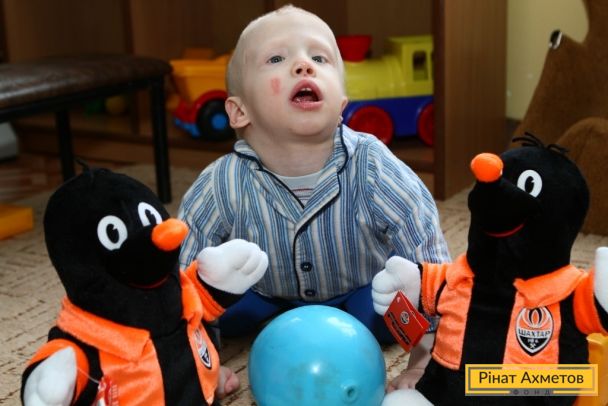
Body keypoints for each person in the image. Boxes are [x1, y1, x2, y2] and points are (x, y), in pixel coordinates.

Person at [178, 4, 451, 397]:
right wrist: (200, 361)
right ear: (239, 111)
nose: (304, 65)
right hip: (261, 292)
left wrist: (425, 361)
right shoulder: (221, 183)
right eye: (276, 58)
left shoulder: (373, 166)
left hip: (359, 292)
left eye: (319, 58)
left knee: (393, 304)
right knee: (214, 297)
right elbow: (182, 267)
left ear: (341, 104)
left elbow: (427, 252)